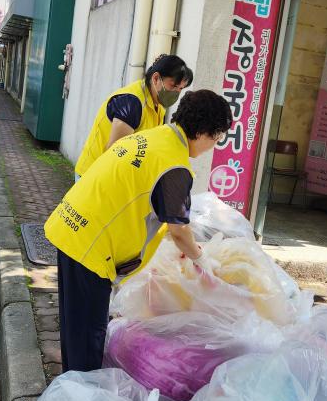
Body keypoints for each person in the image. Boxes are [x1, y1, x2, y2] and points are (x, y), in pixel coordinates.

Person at [45, 90, 233, 372]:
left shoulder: (154, 137)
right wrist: (200, 258)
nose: (212, 147)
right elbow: (179, 231)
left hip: (72, 226)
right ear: (203, 132)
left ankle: (71, 385)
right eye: (216, 139)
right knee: (88, 339)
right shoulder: (174, 164)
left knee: (75, 328)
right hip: (91, 246)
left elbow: (148, 200)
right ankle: (81, 395)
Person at [74, 54, 194, 178]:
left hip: (114, 175)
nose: (176, 92)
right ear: (156, 78)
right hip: (93, 176)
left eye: (181, 88)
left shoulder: (158, 105)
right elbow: (115, 155)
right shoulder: (131, 103)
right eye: (173, 86)